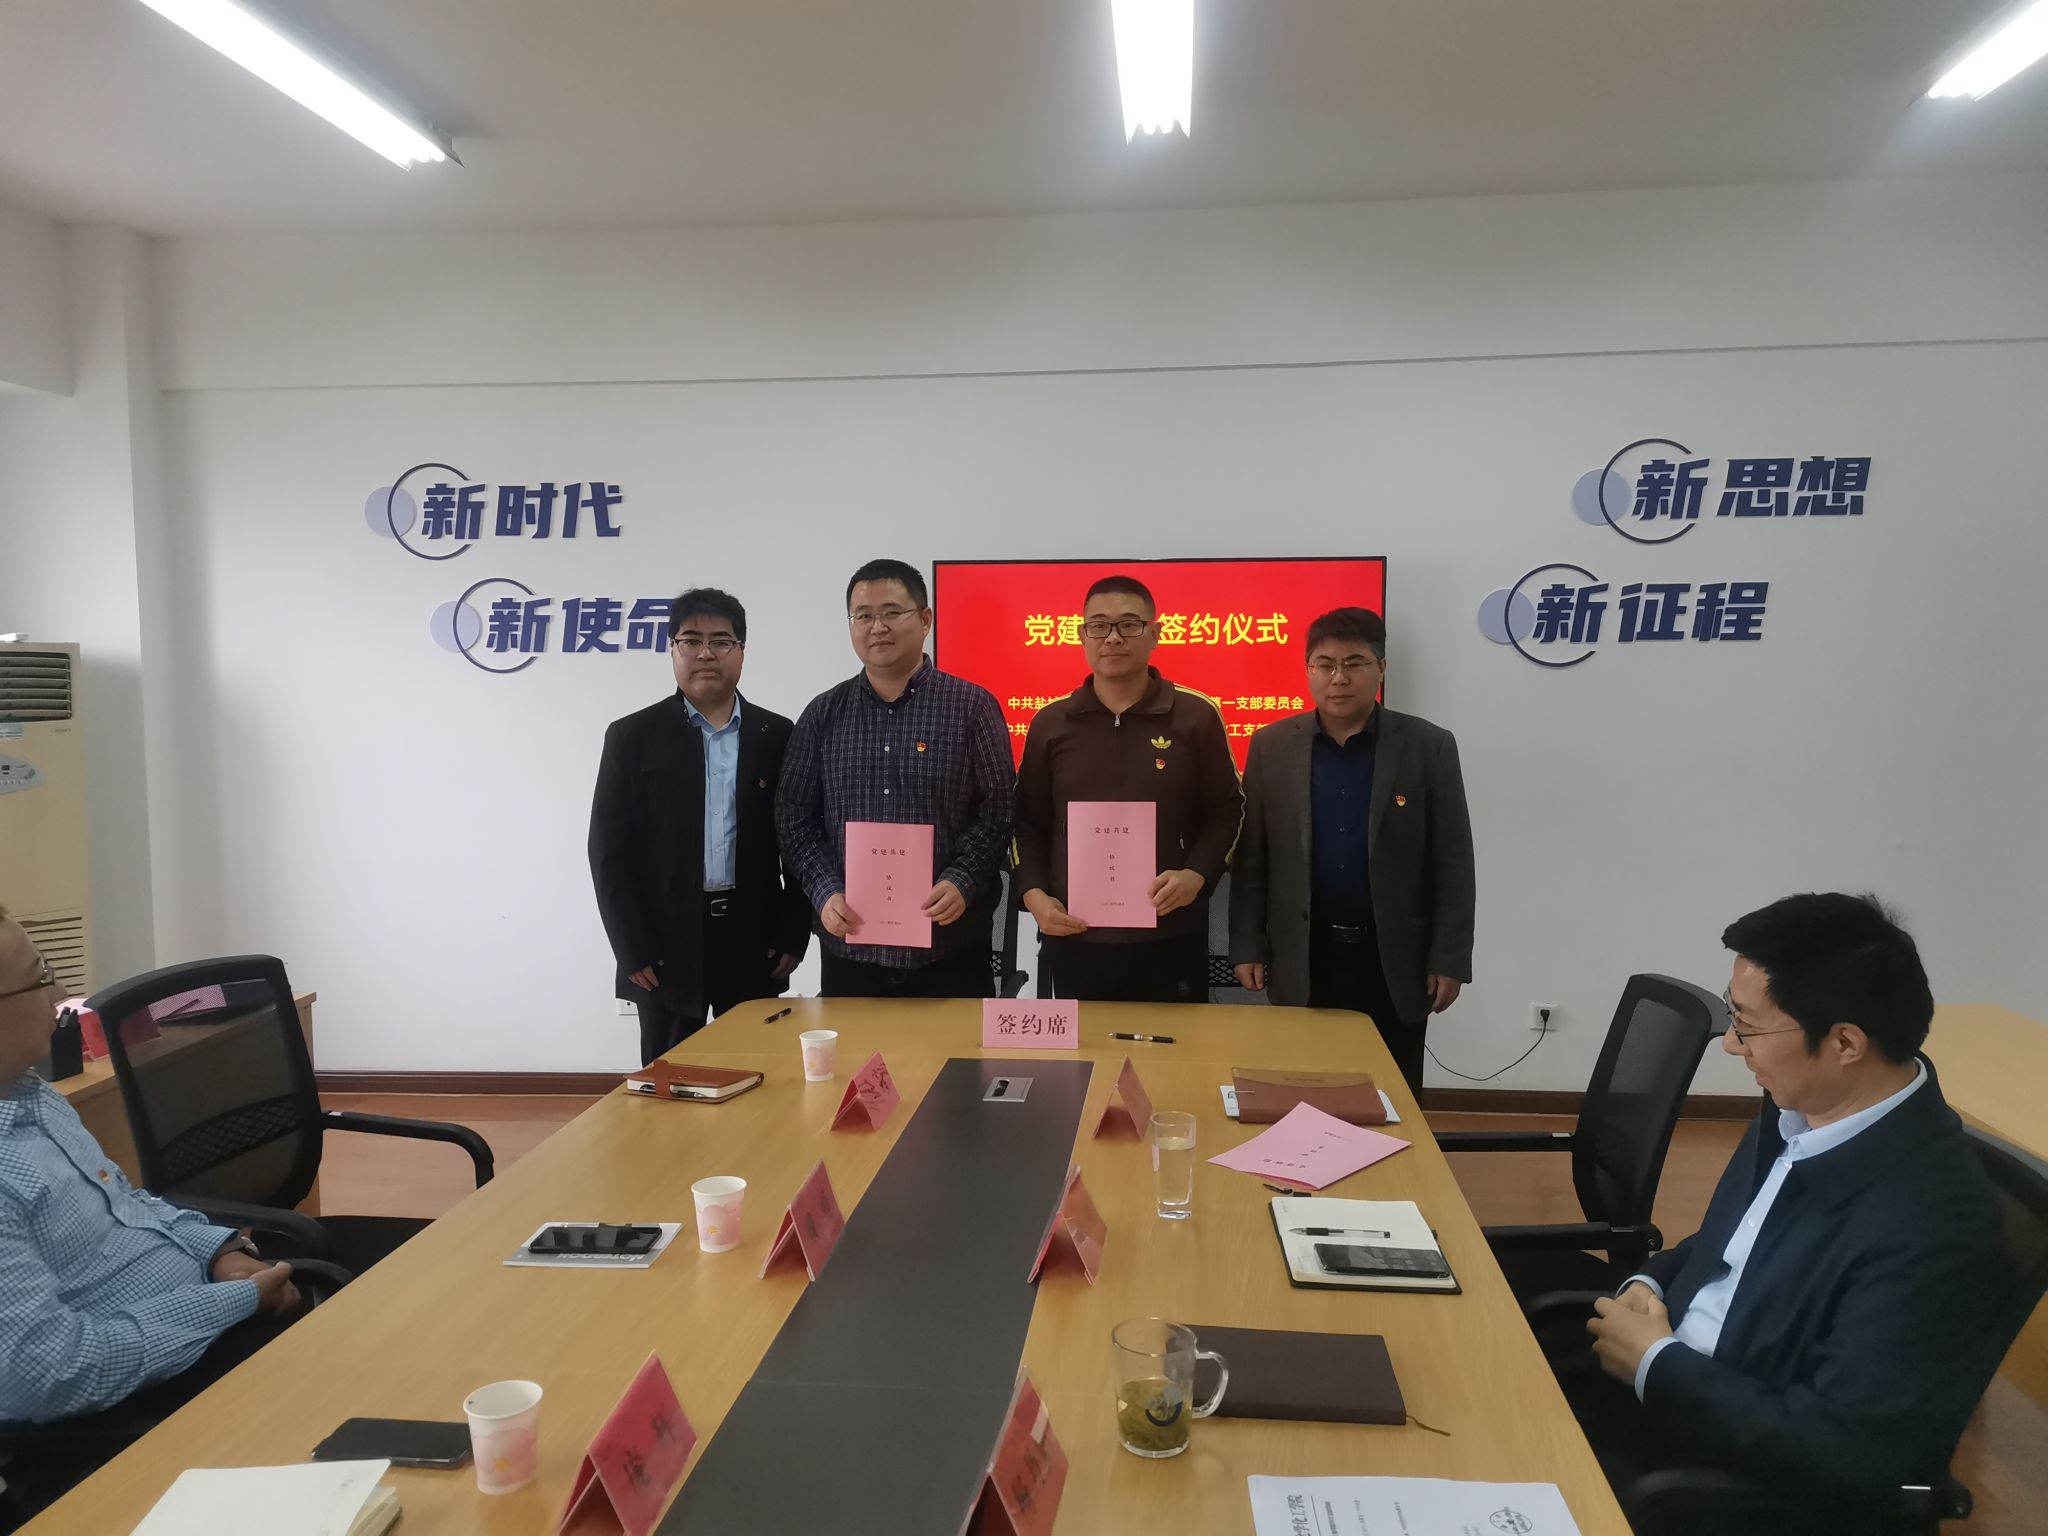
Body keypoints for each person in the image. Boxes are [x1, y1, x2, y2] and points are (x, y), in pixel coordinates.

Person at [1567, 893, 2015, 1502]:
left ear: (1845, 1044)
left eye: (1748, 1025)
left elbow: (1849, 1448)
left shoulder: (1932, 1221)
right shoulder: (1801, 1107)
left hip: (1716, 1476)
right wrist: (1651, 1283)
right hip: (1664, 1387)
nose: (1731, 1044)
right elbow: (1728, 1243)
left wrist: (1657, 1365)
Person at [0, 910, 304, 1518]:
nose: (61, 993)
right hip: (133, 1411)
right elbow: (52, 1372)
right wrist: (234, 1302)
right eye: (41, 977)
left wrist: (220, 1254)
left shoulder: (30, 1097)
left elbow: (128, 1204)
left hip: (208, 1326)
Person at [1227, 606, 1474, 1092]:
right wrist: (1248, 945)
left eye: (1354, 663)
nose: (1338, 678)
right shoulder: (1271, 746)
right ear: (1308, 670)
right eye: (1325, 664)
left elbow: (1453, 862)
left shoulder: (1428, 746)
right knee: (1304, 1090)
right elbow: (1253, 858)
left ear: (1380, 668)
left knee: (1392, 1094)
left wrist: (1449, 958)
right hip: (1305, 953)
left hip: (1392, 956)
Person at [774, 559, 1015, 999]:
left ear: (925, 619)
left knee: (953, 1049)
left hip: (952, 948)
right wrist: (824, 889)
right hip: (851, 952)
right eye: (863, 615)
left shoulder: (972, 708)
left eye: (891, 612)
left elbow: (998, 812)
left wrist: (962, 878)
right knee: (855, 1049)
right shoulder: (823, 714)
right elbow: (793, 816)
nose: (877, 627)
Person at [590, 588, 812, 1065]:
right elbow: (609, 853)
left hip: (753, 938)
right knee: (672, 1081)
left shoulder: (778, 735)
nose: (706, 652)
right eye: (691, 640)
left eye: (721, 641)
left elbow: (800, 840)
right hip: (664, 943)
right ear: (672, 650)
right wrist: (631, 947)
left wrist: (795, 933)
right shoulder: (632, 737)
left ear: (741, 652)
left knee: (757, 1074)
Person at [1014, 574, 1243, 1003]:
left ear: (1155, 633)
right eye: (1099, 625)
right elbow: (1026, 821)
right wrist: (1034, 895)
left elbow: (1227, 810)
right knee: (1085, 1048)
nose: (1113, 637)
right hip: (1075, 934)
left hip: (1170, 934)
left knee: (1177, 1047)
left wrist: (1196, 874)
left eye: (1129, 625)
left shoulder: (1196, 716)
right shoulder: (1050, 723)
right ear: (1082, 635)